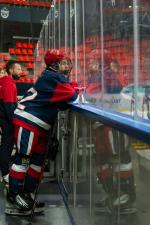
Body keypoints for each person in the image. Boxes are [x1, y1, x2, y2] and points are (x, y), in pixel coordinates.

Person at [6, 49, 78, 213]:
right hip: (29, 121)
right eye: (62, 62)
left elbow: (61, 102)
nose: (66, 65)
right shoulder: (54, 77)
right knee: (24, 159)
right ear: (55, 64)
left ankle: (26, 194)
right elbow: (72, 97)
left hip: (37, 124)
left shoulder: (51, 76)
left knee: (37, 162)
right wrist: (75, 89)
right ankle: (14, 195)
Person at [0, 60, 22, 185]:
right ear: (11, 70)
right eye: (18, 69)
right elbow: (9, 106)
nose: (21, 72)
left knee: (6, 146)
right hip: (7, 121)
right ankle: (5, 174)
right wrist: (15, 122)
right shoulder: (9, 83)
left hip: (4, 119)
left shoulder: (6, 82)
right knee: (6, 147)